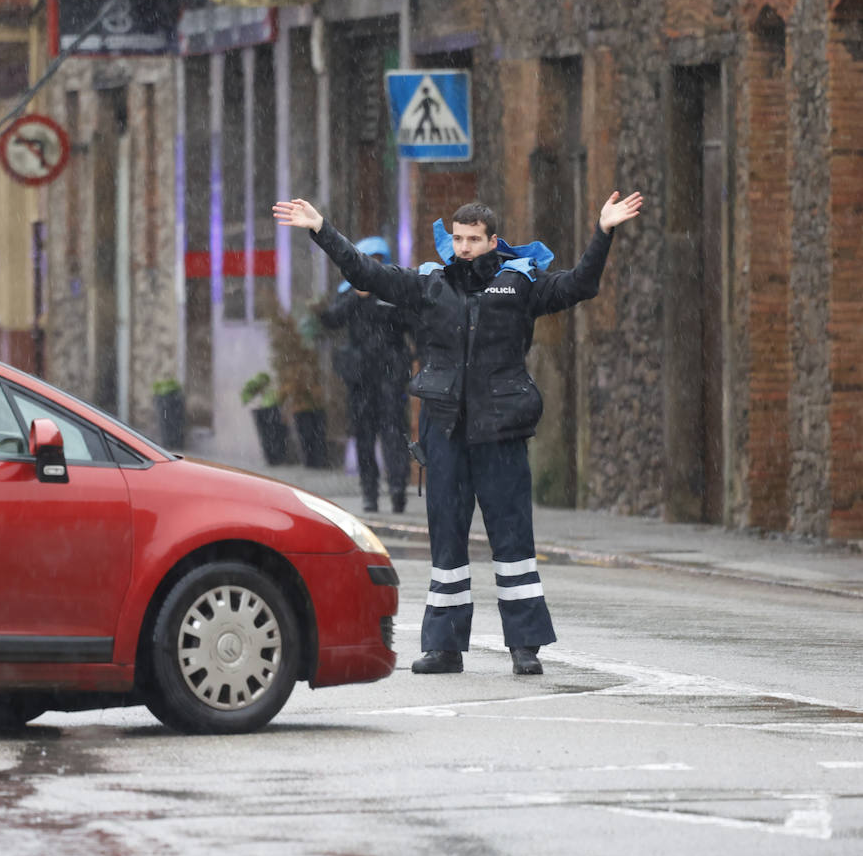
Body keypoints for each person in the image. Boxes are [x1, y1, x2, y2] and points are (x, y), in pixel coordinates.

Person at [274, 190, 643, 676]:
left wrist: (603, 232)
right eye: (458, 239)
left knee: (513, 541)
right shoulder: (431, 284)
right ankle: (445, 647)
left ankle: (524, 645)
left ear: (493, 242)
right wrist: (322, 231)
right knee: (446, 543)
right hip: (444, 431)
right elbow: (365, 273)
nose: (463, 247)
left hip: (501, 431)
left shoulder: (520, 283)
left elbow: (580, 285)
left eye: (473, 239)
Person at [317, 236, 414, 514]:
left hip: (391, 375)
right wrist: (356, 298)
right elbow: (330, 319)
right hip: (360, 378)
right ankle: (369, 493)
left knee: (394, 433)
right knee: (364, 435)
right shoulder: (348, 292)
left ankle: (398, 491)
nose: (373, 268)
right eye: (368, 262)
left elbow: (412, 324)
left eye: (378, 262)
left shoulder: (395, 291)